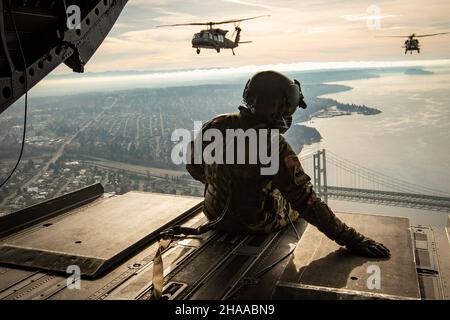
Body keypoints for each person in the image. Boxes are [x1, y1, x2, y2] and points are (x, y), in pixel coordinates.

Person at [186, 71, 390, 258]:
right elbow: (306, 201)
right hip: (256, 225)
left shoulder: (216, 124)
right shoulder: (274, 145)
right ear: (278, 107)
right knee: (297, 202)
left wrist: (224, 183)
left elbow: (193, 166)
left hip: (214, 216)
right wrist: (353, 239)